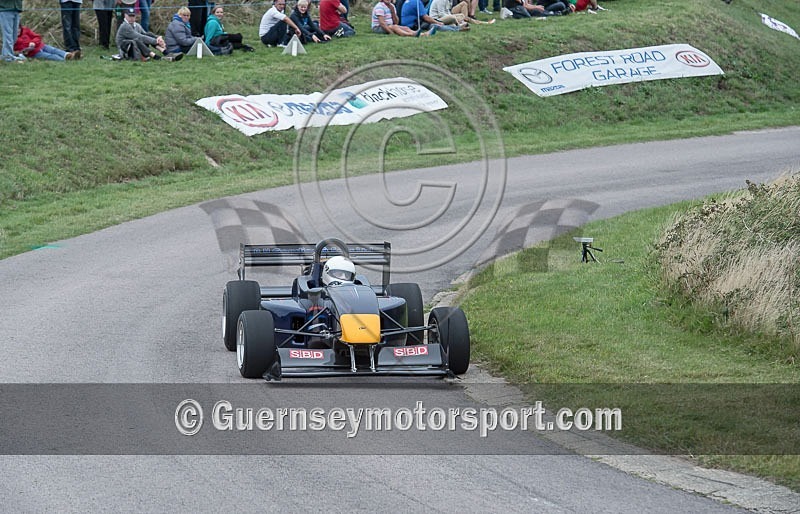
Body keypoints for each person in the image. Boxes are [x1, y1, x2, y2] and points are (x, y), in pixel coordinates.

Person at [116, 7, 181, 61]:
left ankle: (165, 52)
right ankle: (156, 57)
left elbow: (145, 34)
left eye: (133, 16)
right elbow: (140, 37)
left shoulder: (137, 25)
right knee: (137, 39)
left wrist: (157, 38)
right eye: (130, 16)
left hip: (136, 48)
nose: (132, 18)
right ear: (125, 15)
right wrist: (156, 41)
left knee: (148, 34)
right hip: (126, 50)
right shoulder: (125, 26)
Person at [15, 24, 80, 60]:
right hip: (33, 53)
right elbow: (16, 50)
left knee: (55, 50)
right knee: (51, 56)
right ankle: (66, 59)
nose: (18, 31)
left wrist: (33, 42)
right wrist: (23, 51)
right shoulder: (12, 39)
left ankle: (69, 55)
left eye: (19, 29)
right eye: (16, 30)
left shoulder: (26, 30)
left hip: (41, 46)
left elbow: (37, 37)